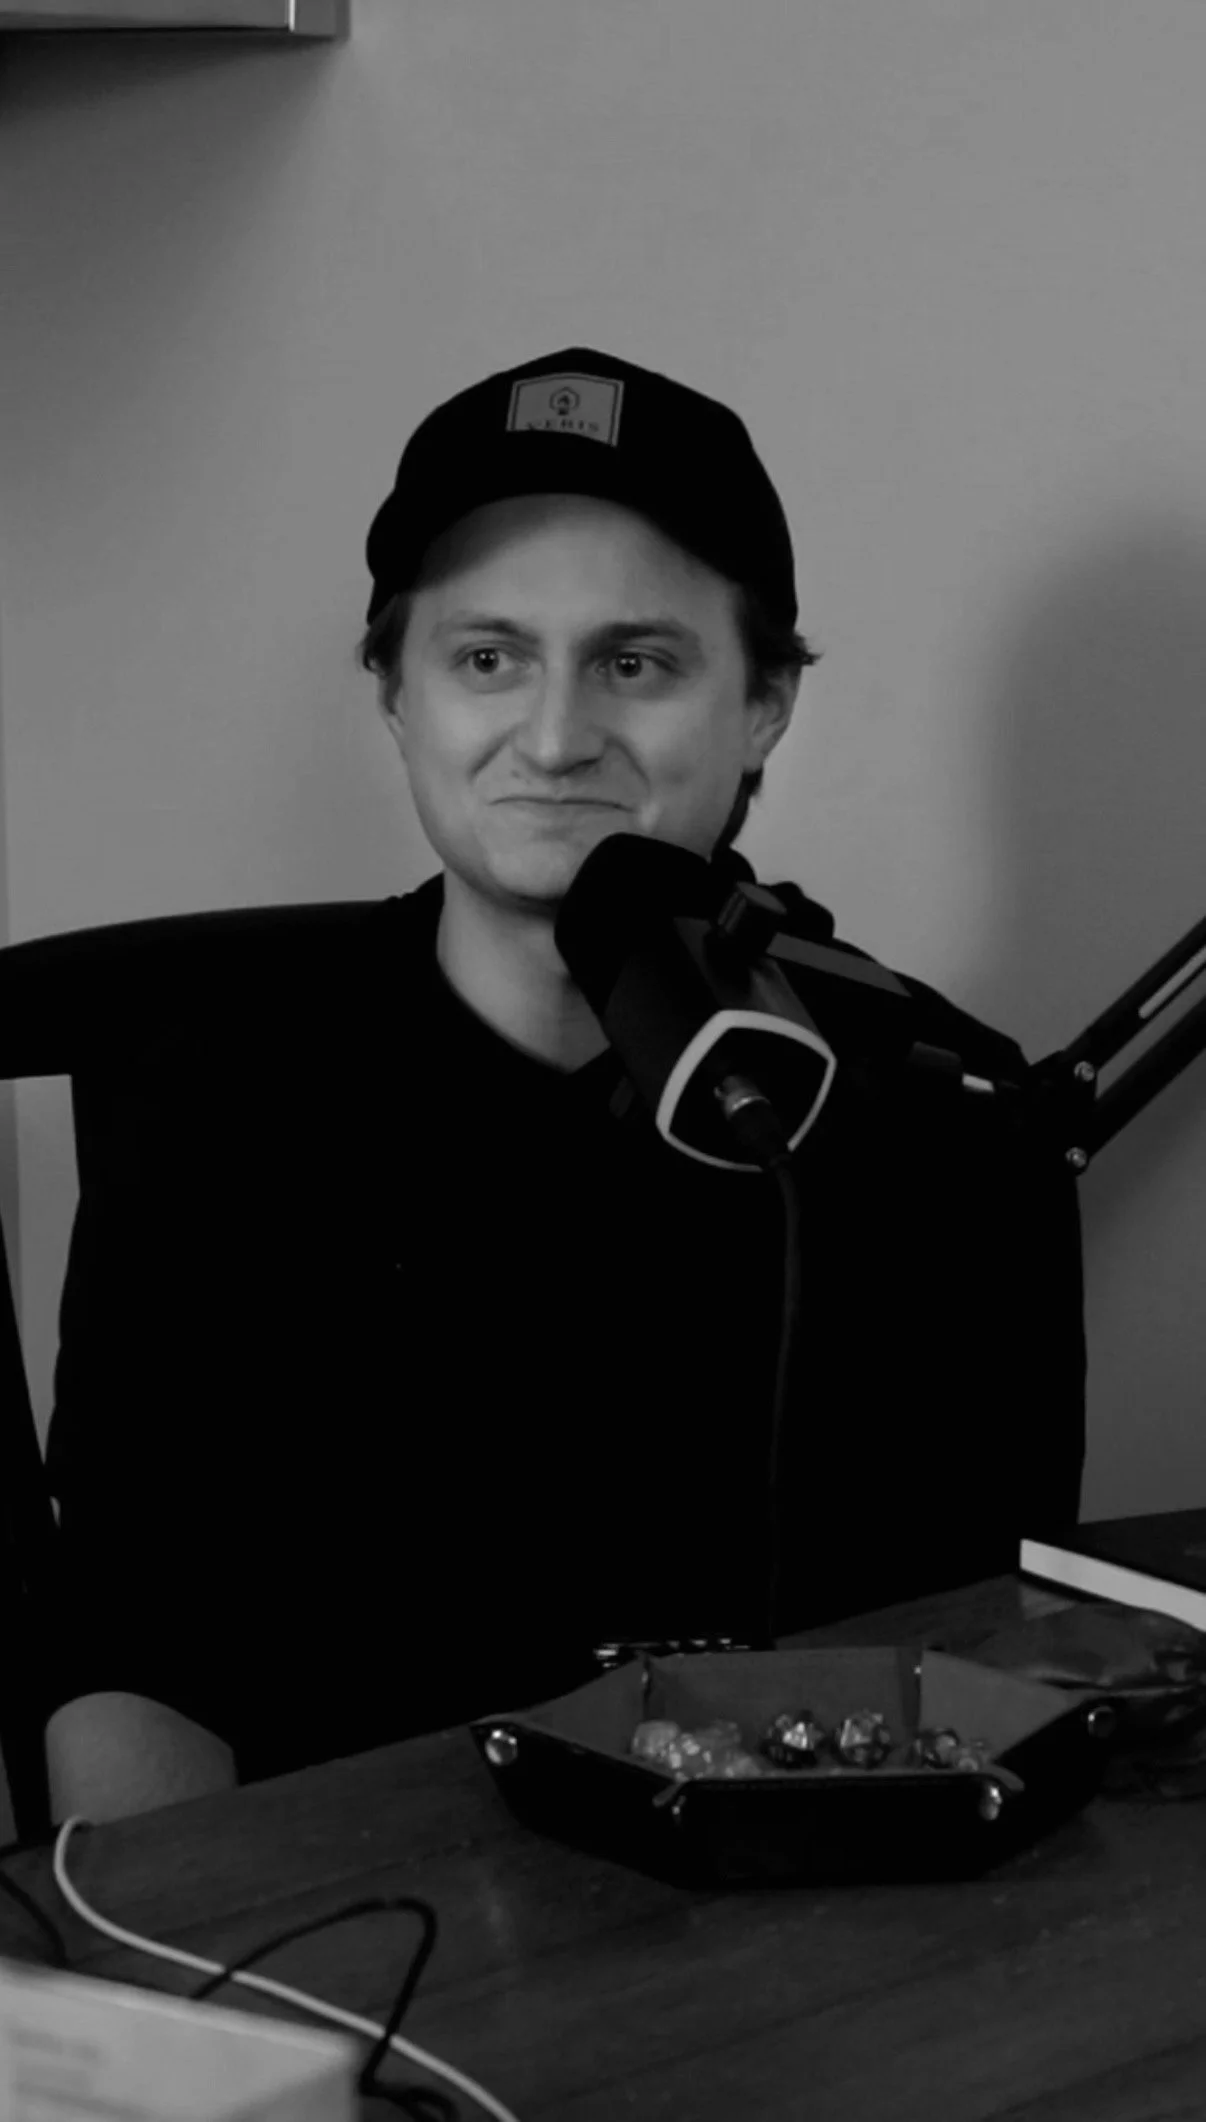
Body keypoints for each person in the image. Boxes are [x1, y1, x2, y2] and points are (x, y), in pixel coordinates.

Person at [36, 347, 1086, 1827]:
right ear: (394, 693)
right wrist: (195, 1986)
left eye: (635, 661)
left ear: (766, 700)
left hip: (792, 1943)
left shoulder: (946, 1125)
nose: (551, 735)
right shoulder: (208, 1092)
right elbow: (131, 1637)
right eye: (486, 658)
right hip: (330, 1933)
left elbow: (968, 1656)